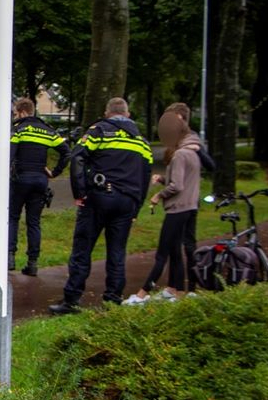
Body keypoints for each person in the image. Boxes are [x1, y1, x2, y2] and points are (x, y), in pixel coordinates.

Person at [49, 97, 153, 314]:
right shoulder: (141, 141)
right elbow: (146, 175)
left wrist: (79, 192)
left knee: (83, 248)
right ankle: (112, 301)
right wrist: (137, 207)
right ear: (128, 114)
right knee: (117, 251)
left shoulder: (99, 131)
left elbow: (78, 157)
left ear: (107, 113)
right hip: (127, 203)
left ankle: (72, 299)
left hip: (99, 197)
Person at [124, 111, 202, 304]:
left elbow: (177, 186)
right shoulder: (193, 152)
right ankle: (178, 291)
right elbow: (183, 180)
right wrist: (163, 180)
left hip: (177, 209)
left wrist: (158, 195)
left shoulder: (180, 155)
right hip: (190, 207)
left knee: (162, 253)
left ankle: (142, 294)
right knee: (176, 251)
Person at [8, 97, 71, 276]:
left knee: (13, 217)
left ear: (21, 111)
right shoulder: (48, 130)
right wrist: (55, 172)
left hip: (21, 179)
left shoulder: (18, 129)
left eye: (15, 113)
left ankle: (10, 257)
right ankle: (32, 263)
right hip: (40, 181)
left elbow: (10, 154)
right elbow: (66, 153)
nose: (14, 116)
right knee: (34, 222)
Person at [165, 101, 216, 292]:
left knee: (186, 244)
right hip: (178, 200)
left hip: (187, 202)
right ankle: (175, 287)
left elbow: (211, 166)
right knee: (175, 245)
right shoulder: (175, 141)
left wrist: (199, 152)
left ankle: (192, 288)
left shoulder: (191, 141)